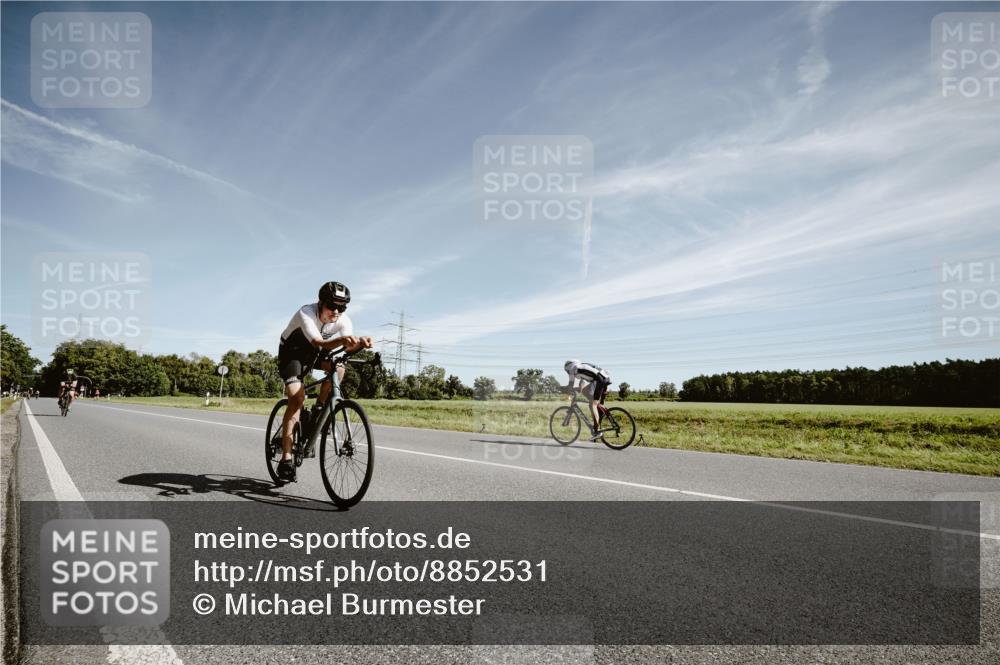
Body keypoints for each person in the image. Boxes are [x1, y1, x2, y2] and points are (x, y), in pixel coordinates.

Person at [276, 281, 373, 481]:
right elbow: (319, 342)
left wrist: (361, 344)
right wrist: (344, 341)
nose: (337, 311)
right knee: (296, 398)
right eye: (332, 306)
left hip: (317, 353)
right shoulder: (306, 313)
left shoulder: (344, 320)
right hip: (293, 353)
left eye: (342, 306)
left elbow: (346, 347)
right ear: (321, 302)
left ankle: (320, 409)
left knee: (339, 368)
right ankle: (286, 459)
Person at [563, 360, 611, 439]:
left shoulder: (573, 368)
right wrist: (578, 389)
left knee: (593, 405)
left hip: (600, 380)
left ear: (568, 367)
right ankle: (598, 409)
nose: (568, 373)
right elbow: (582, 384)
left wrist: (563, 389)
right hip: (603, 378)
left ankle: (596, 431)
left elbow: (570, 384)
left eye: (566, 371)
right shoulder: (581, 367)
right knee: (587, 395)